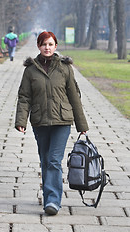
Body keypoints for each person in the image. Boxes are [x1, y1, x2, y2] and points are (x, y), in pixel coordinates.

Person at [15, 31, 89, 215]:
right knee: (45, 160)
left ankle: (53, 201)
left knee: (54, 161)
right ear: (38, 46)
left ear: (55, 46)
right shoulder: (30, 70)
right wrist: (21, 120)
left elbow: (74, 96)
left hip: (62, 121)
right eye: (43, 44)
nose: (47, 48)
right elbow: (24, 97)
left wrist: (82, 126)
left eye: (50, 44)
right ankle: (49, 196)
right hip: (40, 121)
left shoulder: (65, 68)